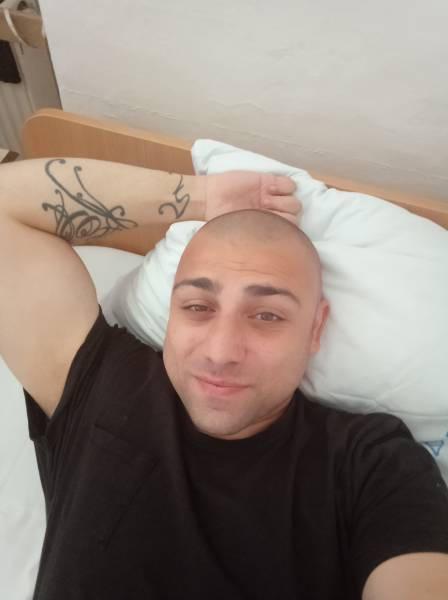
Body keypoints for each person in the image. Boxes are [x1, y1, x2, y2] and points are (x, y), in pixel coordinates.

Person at [1, 158, 448, 600]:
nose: (221, 352)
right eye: (197, 307)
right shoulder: (102, 382)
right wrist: (202, 197)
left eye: (267, 315)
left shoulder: (371, 465)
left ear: (315, 329)